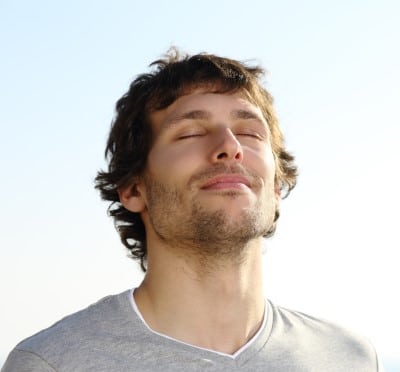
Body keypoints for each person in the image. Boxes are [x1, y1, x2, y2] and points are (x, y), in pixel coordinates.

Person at [2, 49, 382, 371]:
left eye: (250, 133)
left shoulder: (350, 358)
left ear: (278, 186)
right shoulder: (52, 363)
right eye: (190, 133)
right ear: (134, 188)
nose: (230, 146)